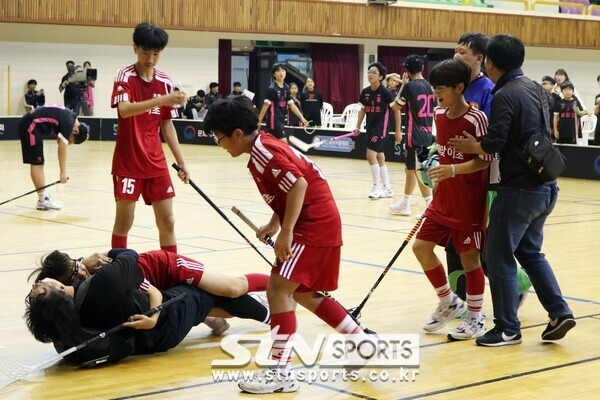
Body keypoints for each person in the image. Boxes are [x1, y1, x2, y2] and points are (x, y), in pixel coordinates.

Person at [204, 96, 372, 394]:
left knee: (278, 289)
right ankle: (360, 341)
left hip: (314, 224)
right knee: (304, 294)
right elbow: (289, 186)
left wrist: (287, 231)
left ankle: (281, 372)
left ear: (237, 134)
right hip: (318, 221)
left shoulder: (265, 152)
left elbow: (299, 185)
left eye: (220, 139)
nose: (221, 145)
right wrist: (276, 222)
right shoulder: (262, 147)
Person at [450, 34, 575, 346]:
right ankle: (559, 312)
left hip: (519, 189)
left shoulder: (504, 93)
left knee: (497, 256)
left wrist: (472, 145)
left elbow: (494, 142)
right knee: (530, 252)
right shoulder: (535, 87)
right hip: (546, 185)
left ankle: (507, 328)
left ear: (489, 62)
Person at [25, 250, 270, 365]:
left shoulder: (69, 311)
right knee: (224, 292)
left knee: (225, 292)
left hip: (158, 276)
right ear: (61, 287)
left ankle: (270, 293)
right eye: (40, 288)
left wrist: (82, 264)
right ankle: (275, 292)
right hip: (158, 280)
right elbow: (125, 255)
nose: (39, 284)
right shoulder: (102, 281)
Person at [412, 59, 492, 341]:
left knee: (470, 260)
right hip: (442, 199)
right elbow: (444, 151)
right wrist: (436, 165)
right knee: (421, 248)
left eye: (442, 89)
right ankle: (448, 301)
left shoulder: (476, 118)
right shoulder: (438, 114)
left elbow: (486, 161)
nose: (437, 94)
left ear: (460, 87)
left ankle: (475, 317)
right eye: (434, 88)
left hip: (469, 201)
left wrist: (454, 169)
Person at [110, 22, 191, 253]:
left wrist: (182, 162)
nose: (151, 59)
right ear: (135, 48)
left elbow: (167, 125)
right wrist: (160, 101)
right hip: (128, 163)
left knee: (168, 221)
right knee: (124, 222)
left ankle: (170, 269)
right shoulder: (124, 75)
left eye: (156, 54)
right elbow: (124, 110)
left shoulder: (165, 81)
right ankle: (119, 268)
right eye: (146, 52)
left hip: (156, 163)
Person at [31, 248, 270, 305]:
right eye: (74, 273)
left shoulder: (96, 262)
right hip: (160, 289)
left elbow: (125, 255)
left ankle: (277, 285)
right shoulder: (80, 290)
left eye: (76, 263)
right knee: (216, 311)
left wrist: (83, 262)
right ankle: (261, 302)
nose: (80, 270)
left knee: (232, 287)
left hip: (169, 267)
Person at [389, 55, 436, 215]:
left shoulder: (410, 87)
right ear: (422, 68)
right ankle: (405, 203)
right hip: (428, 134)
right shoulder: (430, 86)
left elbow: (395, 106)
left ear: (407, 71)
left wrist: (403, 86)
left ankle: (429, 206)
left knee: (418, 170)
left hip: (414, 136)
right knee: (410, 170)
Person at [19, 105, 89, 210]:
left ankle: (43, 198)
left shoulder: (70, 118)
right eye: (70, 140)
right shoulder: (69, 123)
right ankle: (42, 200)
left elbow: (59, 141)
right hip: (30, 126)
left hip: (31, 125)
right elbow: (62, 148)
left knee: (39, 163)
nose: (68, 142)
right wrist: (63, 173)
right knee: (37, 163)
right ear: (75, 132)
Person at [353, 62, 402, 199]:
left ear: (381, 77)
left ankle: (376, 187)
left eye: (374, 72)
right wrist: (357, 126)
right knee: (380, 157)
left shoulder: (386, 92)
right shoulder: (365, 92)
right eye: (369, 72)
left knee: (370, 154)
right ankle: (387, 188)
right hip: (370, 127)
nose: (370, 74)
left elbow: (396, 111)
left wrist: (398, 131)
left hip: (382, 128)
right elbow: (363, 110)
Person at [257, 63, 308, 142]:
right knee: (284, 144)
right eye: (278, 71)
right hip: (273, 121)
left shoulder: (287, 88)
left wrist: (302, 118)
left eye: (283, 71)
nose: (281, 73)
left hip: (281, 120)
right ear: (274, 74)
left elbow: (292, 106)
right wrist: (259, 122)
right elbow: (265, 106)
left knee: (275, 145)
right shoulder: (272, 89)